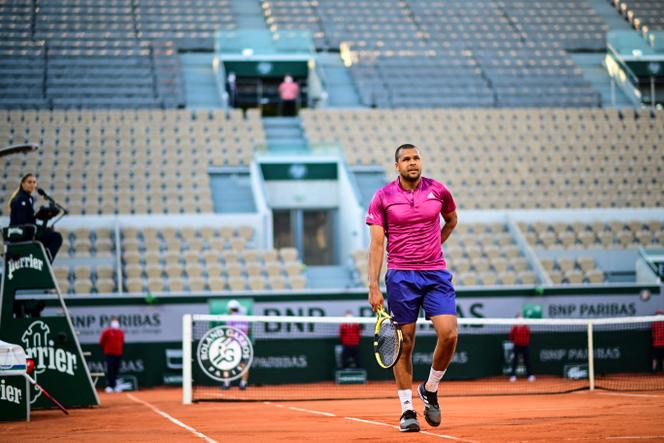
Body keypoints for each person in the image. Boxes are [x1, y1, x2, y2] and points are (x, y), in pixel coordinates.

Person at [366, 144, 458, 432]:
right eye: (406, 159)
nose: (412, 162)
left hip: (435, 275)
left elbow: (452, 220)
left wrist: (433, 247)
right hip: (401, 278)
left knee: (449, 334)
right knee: (404, 344)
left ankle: (429, 389)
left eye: (416, 157)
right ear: (397, 166)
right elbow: (377, 243)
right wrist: (373, 285)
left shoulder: (439, 191)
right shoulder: (382, 197)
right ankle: (407, 410)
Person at [7, 173, 62, 262]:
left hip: (28, 231)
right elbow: (23, 222)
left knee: (50, 233)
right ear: (23, 183)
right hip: (22, 234)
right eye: (29, 182)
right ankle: (45, 261)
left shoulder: (29, 198)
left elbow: (29, 221)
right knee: (56, 237)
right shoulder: (21, 199)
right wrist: (39, 228)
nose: (32, 184)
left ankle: (42, 259)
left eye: (34, 182)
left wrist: (43, 228)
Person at [223, 299, 250, 390]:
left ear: (230, 309)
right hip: (243, 344)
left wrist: (226, 344)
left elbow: (229, 332)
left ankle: (227, 384)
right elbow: (247, 331)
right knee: (244, 365)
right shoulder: (244, 317)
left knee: (227, 364)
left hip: (233, 345)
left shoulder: (230, 318)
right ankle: (243, 383)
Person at [100, 316, 125, 393]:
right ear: (111, 323)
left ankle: (115, 386)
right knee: (110, 369)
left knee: (116, 370)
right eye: (114, 321)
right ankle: (109, 386)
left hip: (118, 354)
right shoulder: (106, 332)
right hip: (109, 354)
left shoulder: (121, 332)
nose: (115, 323)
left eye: (117, 321)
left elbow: (122, 342)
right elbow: (102, 342)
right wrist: (107, 350)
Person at [509, 313, 535, 382]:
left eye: (521, 318)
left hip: (525, 346)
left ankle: (530, 375)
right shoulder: (514, 327)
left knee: (527, 361)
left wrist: (525, 342)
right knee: (515, 361)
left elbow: (528, 335)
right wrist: (515, 341)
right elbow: (511, 336)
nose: (520, 320)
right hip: (517, 345)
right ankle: (513, 376)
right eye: (518, 319)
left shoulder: (526, 327)